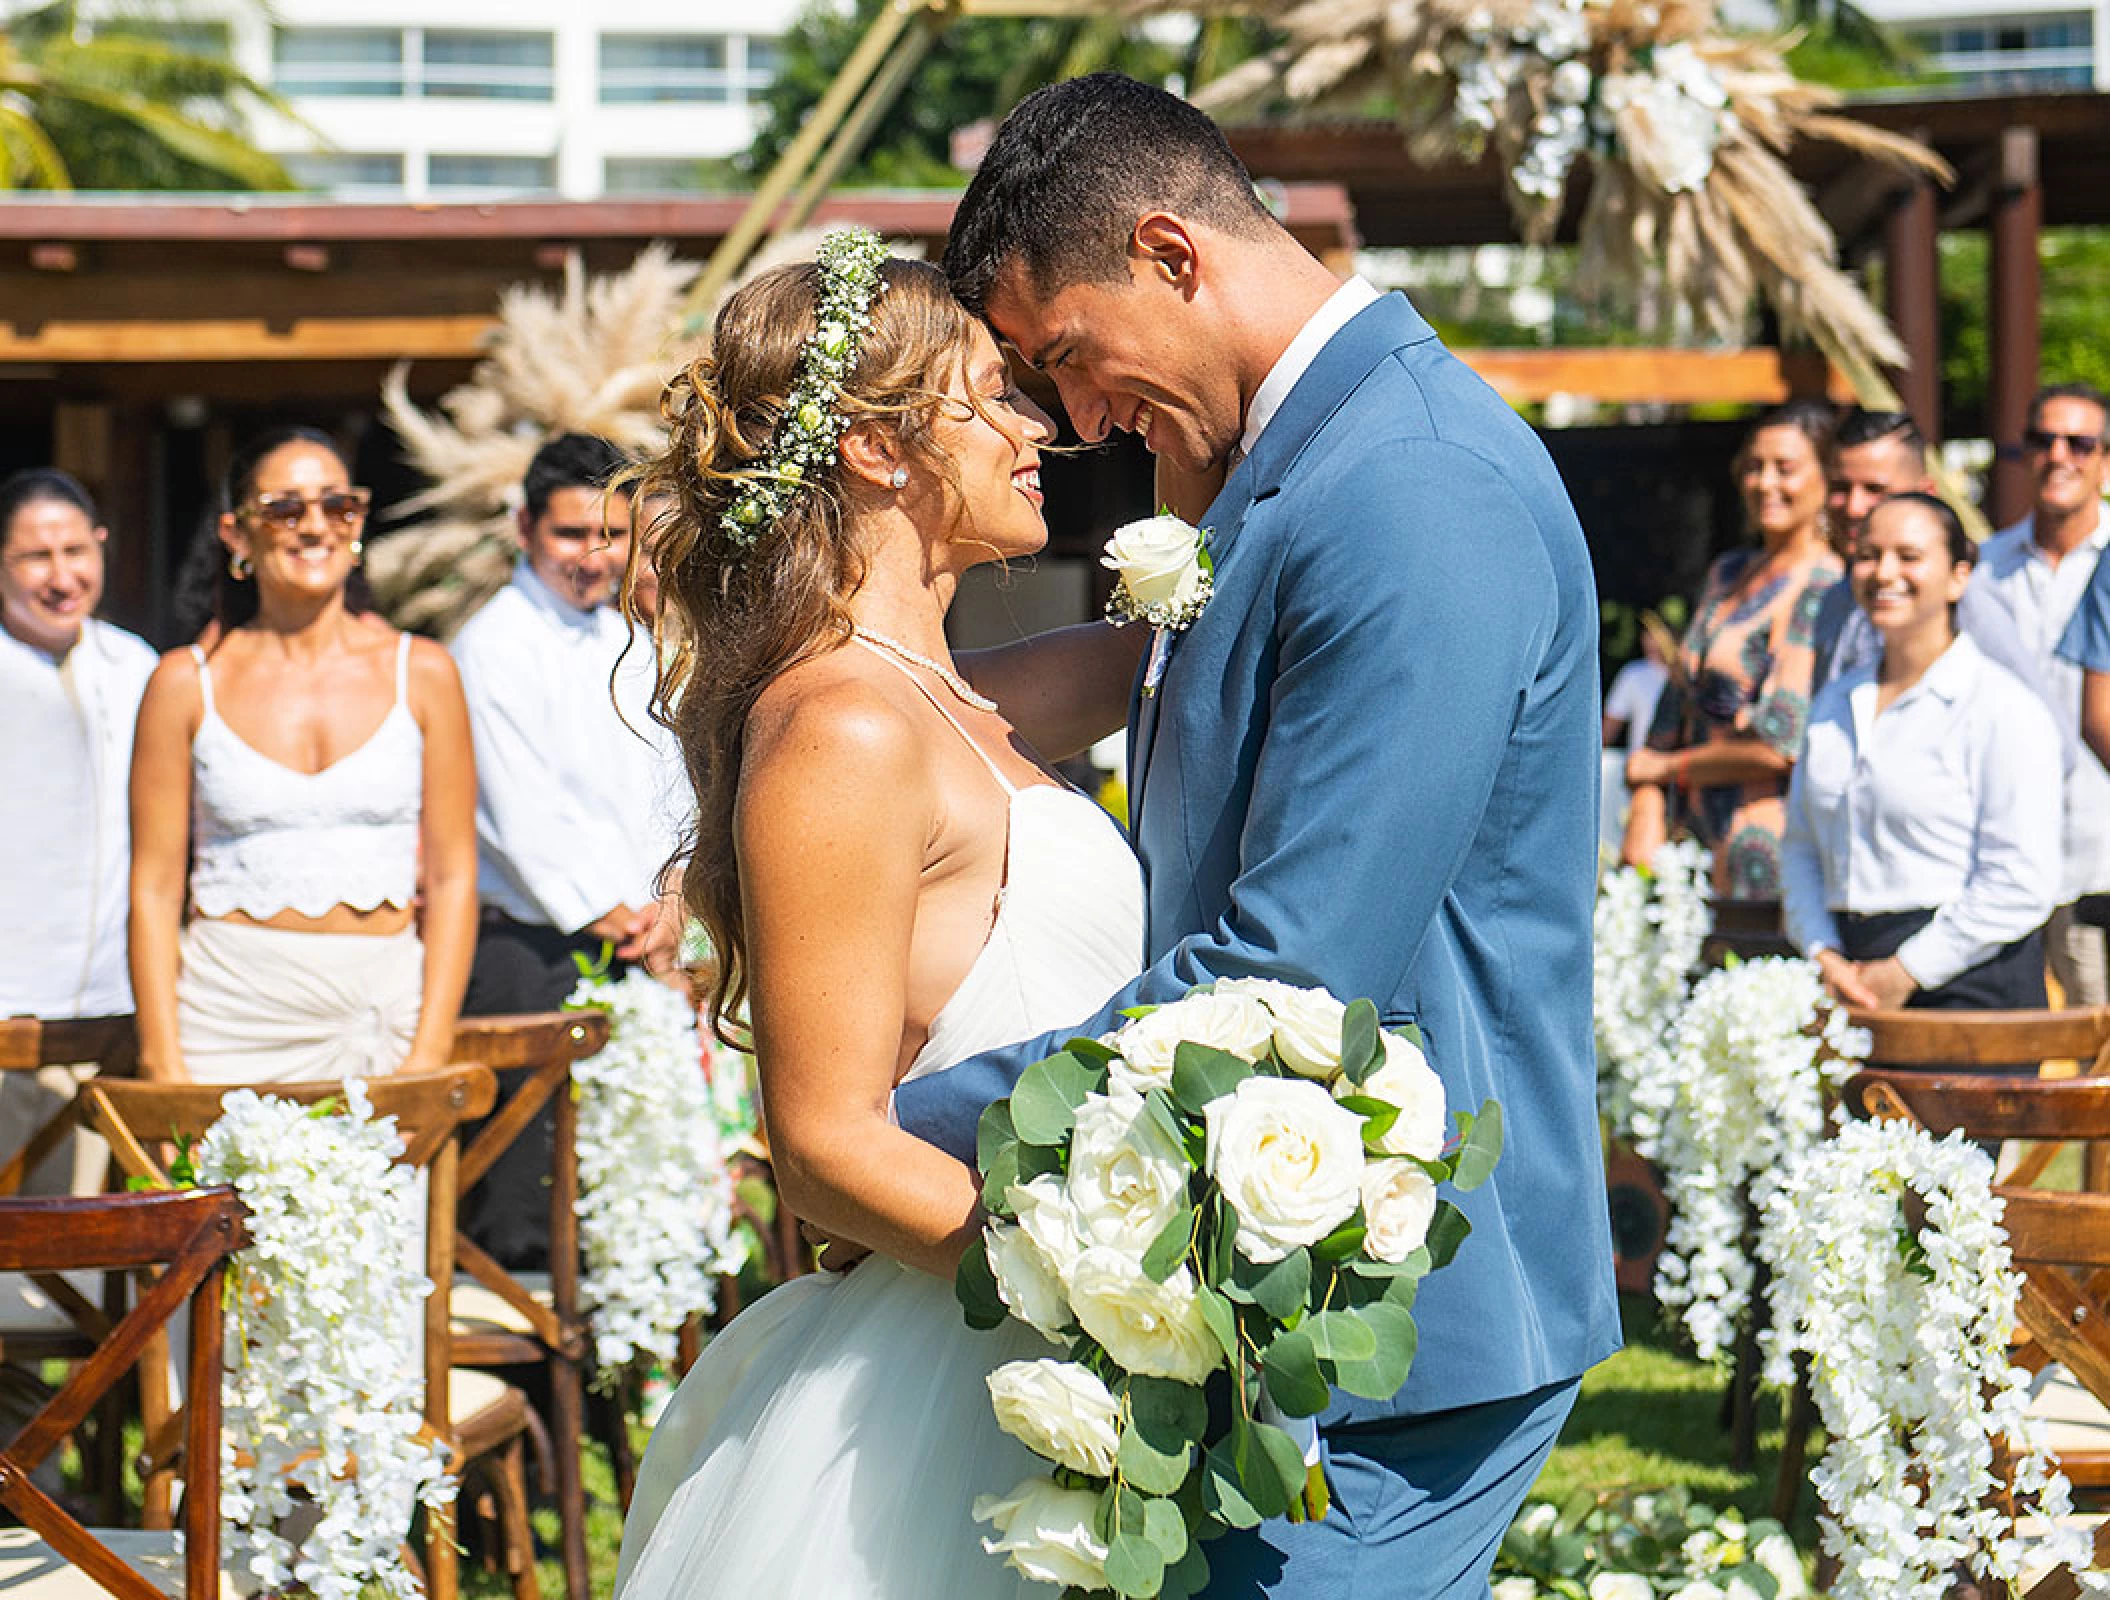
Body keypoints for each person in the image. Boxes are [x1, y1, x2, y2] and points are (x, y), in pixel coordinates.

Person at [892, 74, 1618, 1598]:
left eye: (1070, 360)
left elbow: (1286, 969)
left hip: (1400, 1317)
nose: (1079, 424)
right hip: (1292, 1302)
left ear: (1170, 251)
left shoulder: (1409, 487)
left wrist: (893, 1132)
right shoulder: (1284, 472)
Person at [614, 235, 1144, 1597]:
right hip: (970, 1363)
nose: (1037, 428)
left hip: (1050, 1335)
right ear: (871, 447)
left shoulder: (955, 698)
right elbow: (823, 1145)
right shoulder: (845, 728)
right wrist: (1106, 1306)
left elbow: (1177, 654)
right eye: (990, 394)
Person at [128, 426, 478, 1083]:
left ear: (358, 523)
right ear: (237, 535)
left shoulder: (425, 672)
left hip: (384, 1019)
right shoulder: (181, 684)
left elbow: (457, 875)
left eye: (338, 506)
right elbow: (152, 887)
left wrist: (428, 1053)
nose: (314, 526)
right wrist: (163, 1061)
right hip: (226, 1018)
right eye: (286, 508)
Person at [1783, 493, 2061, 1013]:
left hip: (1972, 986)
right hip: (1847, 975)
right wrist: (1822, 950)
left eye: (1909, 556)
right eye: (1868, 554)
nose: (1884, 572)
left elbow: (2022, 879)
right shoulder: (1833, 702)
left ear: (1959, 575)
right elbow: (1800, 846)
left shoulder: (2002, 708)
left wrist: (1909, 969)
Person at [450, 433, 686, 1012]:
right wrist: (615, 915)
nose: (593, 557)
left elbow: (675, 785)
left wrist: (676, 899)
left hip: (653, 944)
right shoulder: (490, 646)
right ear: (525, 528)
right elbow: (515, 815)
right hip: (539, 956)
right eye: (571, 534)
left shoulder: (632, 642)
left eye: (611, 536)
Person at [0, 468, 158, 1194]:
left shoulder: (137, 668)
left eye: (75, 551)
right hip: (8, 1005)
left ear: (102, 546)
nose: (61, 576)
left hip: (109, 1005)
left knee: (85, 1245)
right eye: (36, 557)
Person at [1622, 401, 1843, 899]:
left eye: (1785, 469)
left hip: (1762, 847)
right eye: (1755, 467)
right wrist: (1647, 798)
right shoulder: (1728, 572)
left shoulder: (1823, 586)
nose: (1766, 482)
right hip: (1684, 842)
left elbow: (1781, 744)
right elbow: (1676, 697)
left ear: (1825, 478)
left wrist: (1666, 769)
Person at [1973, 382, 2110, 1005]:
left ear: (2104, 458)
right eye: (2043, 440)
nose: (2060, 455)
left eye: (2080, 442)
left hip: (2098, 851)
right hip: (2005, 846)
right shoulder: (1981, 570)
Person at [1809, 408, 2050, 716]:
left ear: (1925, 494)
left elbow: (2041, 728)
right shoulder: (1833, 602)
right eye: (1841, 489)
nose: (1855, 507)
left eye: (1875, 490)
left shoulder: (1963, 599)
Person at [1602, 627, 1668, 752]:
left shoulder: (1688, 675)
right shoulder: (1634, 673)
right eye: (1648, 634)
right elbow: (1611, 725)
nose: (1652, 641)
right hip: (1642, 763)